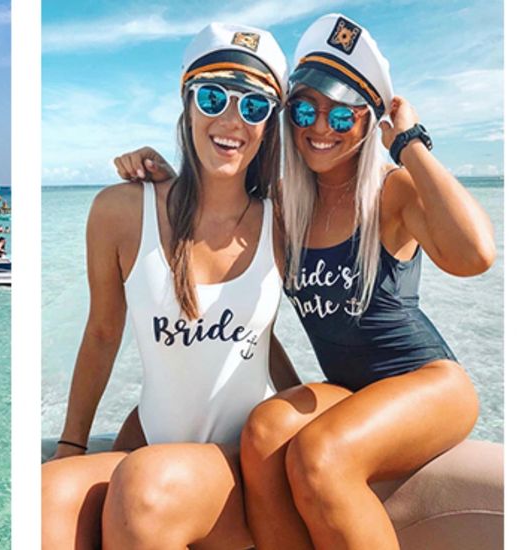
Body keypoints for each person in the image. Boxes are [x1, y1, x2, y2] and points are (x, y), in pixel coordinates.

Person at [116, 14, 496, 550]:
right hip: (348, 394)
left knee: (323, 454)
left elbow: (477, 254)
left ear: (368, 122)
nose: (322, 127)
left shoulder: (391, 192)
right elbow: (219, 208)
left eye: (343, 113)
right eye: (306, 109)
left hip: (428, 383)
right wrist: (162, 178)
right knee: (265, 432)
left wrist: (408, 140)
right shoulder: (286, 205)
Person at [42, 23, 296, 549]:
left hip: (238, 465)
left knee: (145, 494)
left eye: (254, 107)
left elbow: (263, 335)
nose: (232, 120)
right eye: (213, 97)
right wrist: (71, 444)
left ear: (270, 124)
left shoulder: (287, 221)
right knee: (43, 500)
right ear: (188, 105)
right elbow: (103, 333)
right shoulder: (120, 212)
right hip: (153, 447)